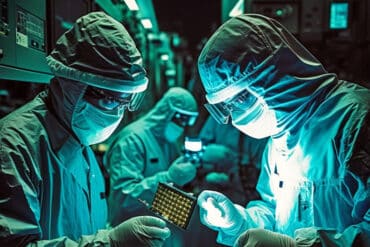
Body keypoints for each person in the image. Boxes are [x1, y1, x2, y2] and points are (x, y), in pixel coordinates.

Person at [196, 13, 370, 246]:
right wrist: (240, 221)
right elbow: (273, 210)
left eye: (241, 98)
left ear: (276, 76)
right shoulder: (279, 140)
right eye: (227, 106)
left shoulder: (356, 121)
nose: (236, 114)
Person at [0, 11, 171, 246]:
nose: (117, 114)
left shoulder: (81, 143)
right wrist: (109, 243)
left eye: (125, 102)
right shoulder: (13, 146)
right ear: (74, 86)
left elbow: (88, 226)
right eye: (112, 99)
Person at [104, 87, 198, 246]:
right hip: (129, 232)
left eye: (188, 121)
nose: (183, 125)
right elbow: (123, 196)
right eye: (181, 118)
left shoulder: (167, 142)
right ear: (167, 112)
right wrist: (168, 178)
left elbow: (168, 193)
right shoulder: (131, 140)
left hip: (158, 231)